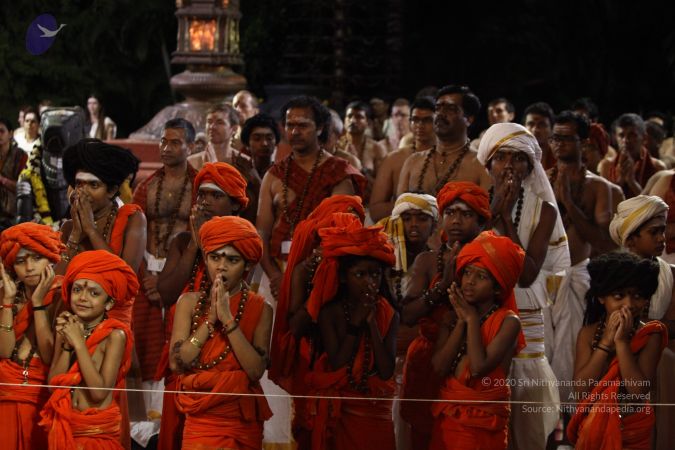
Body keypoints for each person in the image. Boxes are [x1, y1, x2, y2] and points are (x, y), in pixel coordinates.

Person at [477, 122, 570, 450]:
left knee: (527, 417)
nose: (509, 166)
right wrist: (494, 210)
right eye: (501, 157)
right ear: (488, 164)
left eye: (518, 158)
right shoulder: (475, 203)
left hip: (525, 312)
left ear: (530, 167)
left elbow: (528, 273)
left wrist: (505, 218)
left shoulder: (544, 209)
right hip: (483, 310)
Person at [154, 162, 249, 450]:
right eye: (202, 195)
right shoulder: (183, 242)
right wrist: (196, 244)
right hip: (182, 360)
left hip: (224, 366)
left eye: (216, 195)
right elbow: (166, 293)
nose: (206, 201)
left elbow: (242, 299)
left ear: (235, 205)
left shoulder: (244, 245)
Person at [399, 181, 490, 448]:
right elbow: (407, 315)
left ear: (481, 222)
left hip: (474, 358)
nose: (456, 221)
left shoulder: (490, 258)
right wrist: (442, 285)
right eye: (450, 213)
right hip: (427, 361)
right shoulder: (428, 261)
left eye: (466, 214)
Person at [169, 216, 273, 450]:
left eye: (232, 260)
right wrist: (210, 321)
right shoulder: (188, 302)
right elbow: (177, 364)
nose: (221, 266)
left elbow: (255, 371)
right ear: (205, 258)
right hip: (200, 420)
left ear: (247, 265)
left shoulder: (261, 308)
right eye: (215, 257)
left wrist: (227, 319)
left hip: (240, 421)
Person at [256, 96, 365, 300]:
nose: (295, 132)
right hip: (276, 274)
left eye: (303, 125)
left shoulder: (338, 173)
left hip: (323, 274)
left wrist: (302, 274)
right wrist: (275, 276)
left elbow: (340, 233)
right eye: (290, 125)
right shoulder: (274, 175)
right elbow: (261, 232)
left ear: (320, 128)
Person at [306, 219, 399, 450]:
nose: (370, 282)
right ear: (344, 278)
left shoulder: (388, 312)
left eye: (375, 275)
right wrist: (356, 323)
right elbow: (339, 362)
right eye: (360, 275)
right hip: (343, 411)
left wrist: (372, 324)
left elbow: (386, 370)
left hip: (375, 413)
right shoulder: (331, 312)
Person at [429, 231, 525, 450]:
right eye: (467, 273)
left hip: (483, 425)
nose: (470, 282)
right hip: (448, 420)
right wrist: (460, 323)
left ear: (498, 287)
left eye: (481, 277)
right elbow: (439, 368)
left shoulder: (509, 322)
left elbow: (478, 367)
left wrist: (471, 319)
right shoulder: (451, 318)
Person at [547, 111, 616, 403]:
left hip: (577, 275)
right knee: (541, 352)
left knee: (571, 351)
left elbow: (603, 241)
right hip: (542, 277)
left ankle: (570, 417)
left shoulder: (599, 187)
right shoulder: (540, 181)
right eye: (555, 138)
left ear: (583, 142)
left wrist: (569, 203)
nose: (558, 144)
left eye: (566, 138)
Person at [40, 250, 139, 449]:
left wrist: (78, 344)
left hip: (97, 433)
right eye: (77, 290)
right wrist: (67, 345)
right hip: (68, 427)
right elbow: (54, 385)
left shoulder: (114, 335)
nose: (83, 298)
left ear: (109, 303)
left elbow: (99, 392)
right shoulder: (66, 328)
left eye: (94, 293)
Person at [568, 252, 668, 449]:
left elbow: (638, 391)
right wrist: (605, 342)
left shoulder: (650, 335)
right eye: (619, 296)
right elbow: (581, 389)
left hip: (633, 430)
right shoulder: (588, 334)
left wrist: (621, 342)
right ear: (601, 297)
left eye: (637, 296)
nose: (629, 305)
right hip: (594, 428)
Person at [131, 118, 196, 390]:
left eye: (175, 143)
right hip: (147, 273)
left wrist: (166, 281)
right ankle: (148, 412)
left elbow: (196, 237)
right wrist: (147, 277)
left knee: (180, 340)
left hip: (182, 272)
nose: (166, 148)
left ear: (191, 147)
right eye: (163, 141)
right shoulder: (146, 187)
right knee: (145, 346)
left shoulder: (199, 187)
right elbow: (133, 233)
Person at [609, 195, 675, 449]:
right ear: (631, 239)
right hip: (616, 358)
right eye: (654, 232)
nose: (662, 238)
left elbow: (672, 323)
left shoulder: (669, 273)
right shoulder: (610, 275)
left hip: (658, 362)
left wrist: (644, 329)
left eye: (663, 230)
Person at [59, 139, 146, 326]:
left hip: (114, 327)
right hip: (71, 324)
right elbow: (55, 283)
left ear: (112, 191)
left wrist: (90, 230)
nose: (83, 192)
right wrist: (75, 234)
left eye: (93, 185)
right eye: (79, 184)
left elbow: (123, 280)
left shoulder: (133, 219)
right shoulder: (69, 228)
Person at [377, 192, 438, 448]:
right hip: (386, 360)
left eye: (422, 219)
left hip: (423, 359)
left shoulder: (438, 262)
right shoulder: (383, 261)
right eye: (407, 218)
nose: (413, 225)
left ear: (434, 225)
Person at [0, 223, 65, 450]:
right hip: (6, 394)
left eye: (37, 258)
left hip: (42, 396)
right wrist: (7, 302)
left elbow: (48, 356)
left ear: (50, 259)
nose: (29, 268)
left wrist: (38, 304)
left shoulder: (63, 296)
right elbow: (4, 351)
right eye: (20, 261)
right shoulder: (7, 294)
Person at [397, 85, 491, 196]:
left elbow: (488, 206)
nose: (441, 113)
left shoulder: (481, 166)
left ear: (469, 119)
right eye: (437, 108)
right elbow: (399, 205)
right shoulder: (413, 162)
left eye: (450, 109)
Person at [187, 105, 260, 221]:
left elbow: (252, 201)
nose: (212, 127)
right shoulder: (191, 161)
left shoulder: (244, 162)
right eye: (209, 122)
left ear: (234, 129)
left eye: (219, 122)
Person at [370, 97, 436, 222]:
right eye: (415, 120)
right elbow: (375, 211)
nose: (420, 125)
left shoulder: (449, 157)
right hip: (402, 229)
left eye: (427, 120)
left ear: (438, 122)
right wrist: (412, 205)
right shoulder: (393, 159)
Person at [599, 113, 666, 198]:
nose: (625, 140)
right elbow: (606, 201)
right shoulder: (606, 165)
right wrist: (620, 180)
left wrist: (632, 182)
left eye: (632, 135)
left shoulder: (657, 167)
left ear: (644, 138)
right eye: (621, 135)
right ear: (615, 138)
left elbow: (655, 204)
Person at [341, 100, 387, 198]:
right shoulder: (336, 146)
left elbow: (382, 188)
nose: (353, 120)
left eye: (359, 117)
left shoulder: (377, 149)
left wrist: (360, 169)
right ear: (344, 121)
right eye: (349, 116)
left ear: (368, 123)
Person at [0, 117, 28, 230]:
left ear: (10, 134)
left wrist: (2, 180)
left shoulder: (21, 156)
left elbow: (23, 188)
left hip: (12, 214)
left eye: (2, 131)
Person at [240, 112, 280, 177]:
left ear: (276, 143)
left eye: (269, 138)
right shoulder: (240, 173)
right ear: (247, 144)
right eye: (257, 139)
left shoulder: (283, 173)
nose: (264, 143)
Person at [523, 102, 556, 170]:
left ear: (552, 129)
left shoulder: (559, 158)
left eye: (542, 124)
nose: (535, 130)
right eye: (531, 124)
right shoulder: (515, 157)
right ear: (523, 128)